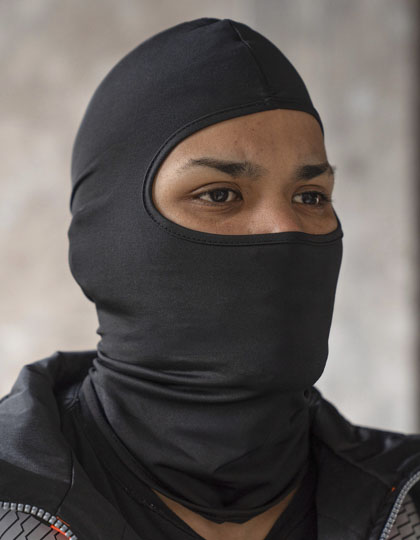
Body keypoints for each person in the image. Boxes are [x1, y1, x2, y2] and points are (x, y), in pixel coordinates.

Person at [0, 16, 419, 540]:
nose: (286, 229)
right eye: (219, 194)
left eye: (310, 196)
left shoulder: (408, 500)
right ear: (108, 238)